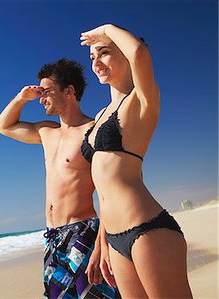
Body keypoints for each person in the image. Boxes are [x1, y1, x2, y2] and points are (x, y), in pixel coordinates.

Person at [80, 24, 192, 298]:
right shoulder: (101, 114)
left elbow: (139, 51)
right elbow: (110, 183)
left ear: (126, 57)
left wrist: (106, 28)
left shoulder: (142, 100)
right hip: (115, 238)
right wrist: (102, 241)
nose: (96, 62)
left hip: (148, 229)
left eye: (104, 52)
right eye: (92, 57)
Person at [0, 58, 119, 298]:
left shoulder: (93, 130)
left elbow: (109, 192)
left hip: (83, 232)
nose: (41, 99)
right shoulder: (46, 131)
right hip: (53, 236)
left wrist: (102, 243)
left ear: (69, 91)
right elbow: (3, 126)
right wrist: (22, 98)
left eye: (47, 92)